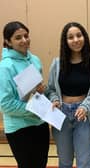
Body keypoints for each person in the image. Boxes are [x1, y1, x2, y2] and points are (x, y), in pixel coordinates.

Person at [47, 22, 90, 168]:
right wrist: (54, 99)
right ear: (65, 42)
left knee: (84, 162)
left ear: (84, 37)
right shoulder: (57, 64)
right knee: (64, 161)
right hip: (61, 115)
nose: (76, 40)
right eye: (70, 37)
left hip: (84, 116)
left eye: (79, 35)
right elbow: (51, 89)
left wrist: (85, 107)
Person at [0, 21, 49, 168]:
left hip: (39, 123)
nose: (24, 40)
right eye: (18, 37)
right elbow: (6, 104)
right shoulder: (5, 67)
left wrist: (42, 93)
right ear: (8, 41)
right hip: (19, 128)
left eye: (26, 36)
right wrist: (33, 109)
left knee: (41, 165)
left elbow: (37, 93)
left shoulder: (35, 60)